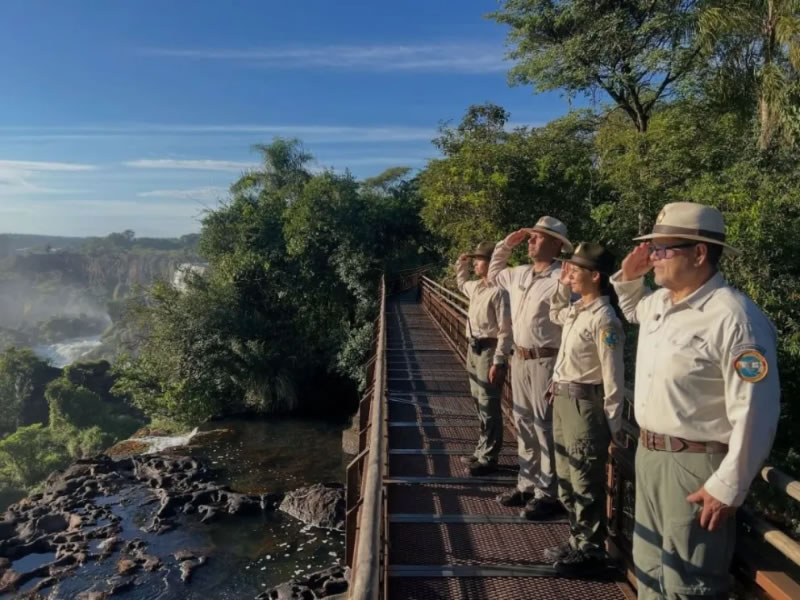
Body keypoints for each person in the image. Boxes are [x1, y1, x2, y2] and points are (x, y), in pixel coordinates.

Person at [612, 202, 780, 599]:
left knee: (691, 583)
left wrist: (729, 484)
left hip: (695, 466)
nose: (653, 257)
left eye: (662, 249)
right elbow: (631, 307)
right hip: (650, 454)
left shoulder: (734, 318)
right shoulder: (660, 304)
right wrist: (628, 276)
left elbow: (757, 409)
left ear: (699, 253)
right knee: (650, 569)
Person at [544, 242, 625, 575]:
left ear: (595, 276)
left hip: (584, 405)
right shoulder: (579, 309)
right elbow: (554, 313)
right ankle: (577, 539)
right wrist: (563, 289)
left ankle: (590, 549)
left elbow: (613, 377)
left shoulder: (605, 319)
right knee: (565, 475)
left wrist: (615, 425)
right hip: (563, 399)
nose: (570, 274)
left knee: (584, 478)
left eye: (576, 270)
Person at [488, 216, 572, 519]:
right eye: (531, 237)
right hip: (520, 358)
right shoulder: (520, 273)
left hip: (547, 359)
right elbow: (494, 275)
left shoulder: (563, 277)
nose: (531, 242)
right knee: (523, 421)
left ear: (555, 244)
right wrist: (506, 245)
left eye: (537, 238)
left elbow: (571, 324)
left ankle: (547, 492)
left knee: (544, 425)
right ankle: (526, 483)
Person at [455, 242, 512, 476]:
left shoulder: (499, 292)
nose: (476, 263)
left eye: (480, 259)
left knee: (489, 403)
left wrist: (499, 361)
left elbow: (505, 330)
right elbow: (461, 283)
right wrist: (462, 264)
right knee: (478, 400)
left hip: (489, 349)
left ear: (491, 263)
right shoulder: (477, 287)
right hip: (473, 348)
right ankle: (481, 450)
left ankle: (489, 457)